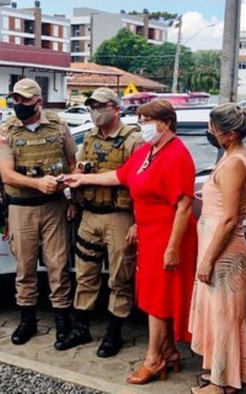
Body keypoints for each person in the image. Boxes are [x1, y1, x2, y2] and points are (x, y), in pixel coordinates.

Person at [65, 99, 197, 385]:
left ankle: (153, 359)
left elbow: (184, 206)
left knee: (159, 300)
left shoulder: (177, 155)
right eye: (140, 119)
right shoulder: (149, 151)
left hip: (168, 235)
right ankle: (169, 352)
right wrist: (83, 181)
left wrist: (173, 247)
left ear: (164, 123)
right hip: (149, 234)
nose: (142, 125)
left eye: (147, 120)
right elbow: (120, 176)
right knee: (149, 296)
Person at [55, 87, 143, 357]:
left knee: (120, 277)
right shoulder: (91, 137)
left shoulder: (133, 140)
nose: (95, 112)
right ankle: (81, 328)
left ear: (116, 109)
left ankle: (114, 333)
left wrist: (138, 222)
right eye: (92, 106)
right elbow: (79, 169)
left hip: (119, 215)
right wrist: (74, 184)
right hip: (90, 215)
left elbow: (140, 184)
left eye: (101, 106)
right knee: (85, 274)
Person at [0, 78, 77, 346]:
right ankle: (27, 320)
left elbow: (73, 164)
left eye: (24, 100)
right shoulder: (6, 130)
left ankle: (63, 322)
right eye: (15, 99)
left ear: (38, 101)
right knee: (25, 268)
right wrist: (37, 183)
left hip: (54, 207)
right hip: (22, 209)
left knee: (58, 266)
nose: (18, 104)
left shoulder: (58, 125)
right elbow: (6, 174)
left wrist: (69, 193)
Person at [188, 103, 246, 394]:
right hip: (216, 246)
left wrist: (207, 260)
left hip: (224, 252)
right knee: (218, 314)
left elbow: (228, 219)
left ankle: (220, 384)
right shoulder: (230, 157)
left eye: (213, 129)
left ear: (228, 134)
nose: (209, 133)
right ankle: (221, 374)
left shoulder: (235, 163)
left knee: (225, 317)